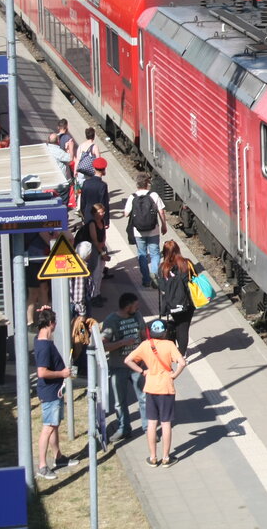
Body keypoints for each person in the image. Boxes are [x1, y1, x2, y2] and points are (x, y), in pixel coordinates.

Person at [124, 318, 186, 467]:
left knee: (152, 423)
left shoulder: (145, 345)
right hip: (166, 388)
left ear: (151, 332)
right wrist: (174, 374)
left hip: (150, 388)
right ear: (165, 333)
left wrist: (142, 371)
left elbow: (128, 360)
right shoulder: (170, 345)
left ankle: (152, 457)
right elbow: (182, 363)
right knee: (166, 423)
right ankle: (166, 457)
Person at [33, 307, 79, 480]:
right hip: (50, 392)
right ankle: (42, 465)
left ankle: (58, 457)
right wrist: (62, 374)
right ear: (51, 324)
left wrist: (46, 308)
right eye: (55, 323)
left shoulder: (40, 338)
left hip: (54, 391)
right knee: (48, 427)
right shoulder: (44, 346)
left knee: (54, 425)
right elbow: (42, 372)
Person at [100, 292, 146, 441]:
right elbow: (103, 346)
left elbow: (143, 335)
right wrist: (122, 343)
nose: (138, 308)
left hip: (137, 366)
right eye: (135, 306)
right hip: (118, 367)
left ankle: (148, 428)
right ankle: (124, 429)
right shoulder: (111, 321)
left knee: (144, 397)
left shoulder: (137, 316)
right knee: (120, 401)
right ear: (127, 307)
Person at [122, 172, 168, 288]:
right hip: (154, 230)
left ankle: (146, 279)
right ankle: (154, 275)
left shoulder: (133, 197)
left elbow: (126, 214)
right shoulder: (154, 195)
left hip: (138, 231)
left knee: (142, 254)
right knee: (155, 254)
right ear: (147, 183)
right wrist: (164, 225)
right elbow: (161, 211)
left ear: (137, 184)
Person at [158, 241, 195, 357]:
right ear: (178, 250)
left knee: (178, 324)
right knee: (183, 328)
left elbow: (162, 287)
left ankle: (178, 351)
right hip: (187, 302)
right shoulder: (186, 263)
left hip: (171, 303)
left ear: (164, 252)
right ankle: (182, 354)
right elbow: (194, 279)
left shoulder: (163, 268)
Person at [79, 157, 110, 230]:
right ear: (104, 170)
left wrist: (84, 215)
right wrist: (106, 221)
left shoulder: (86, 183)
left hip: (87, 214)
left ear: (94, 168)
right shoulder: (103, 185)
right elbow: (104, 203)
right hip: (98, 216)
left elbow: (83, 201)